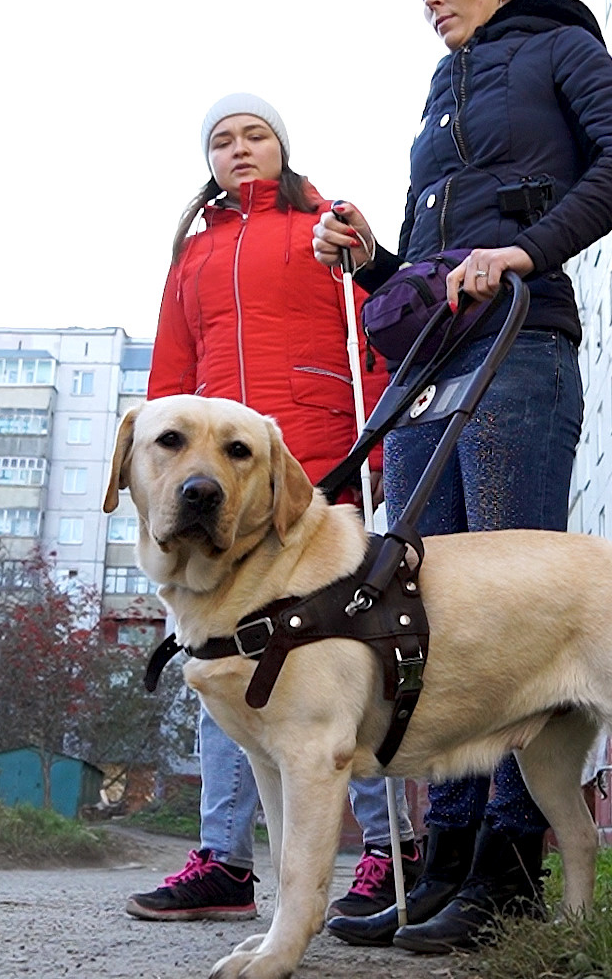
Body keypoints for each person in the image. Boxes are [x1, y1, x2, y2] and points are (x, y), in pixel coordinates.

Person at [311, 0, 612, 955]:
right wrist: (374, 259)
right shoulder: (439, 91)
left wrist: (525, 250)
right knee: (422, 611)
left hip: (519, 350)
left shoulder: (561, 46)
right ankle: (445, 856)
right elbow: (436, 264)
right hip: (429, 365)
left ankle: (509, 866)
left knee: (509, 615)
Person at [125, 93, 418, 924]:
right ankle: (223, 861)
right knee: (218, 659)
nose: (239, 148)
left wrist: (383, 445)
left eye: (255, 135)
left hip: (316, 464)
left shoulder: (323, 228)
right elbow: (171, 377)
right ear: (208, 160)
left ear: (282, 148)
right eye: (222, 140)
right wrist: (159, 480)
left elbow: (377, 339)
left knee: (341, 663)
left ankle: (387, 851)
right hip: (212, 491)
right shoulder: (193, 257)